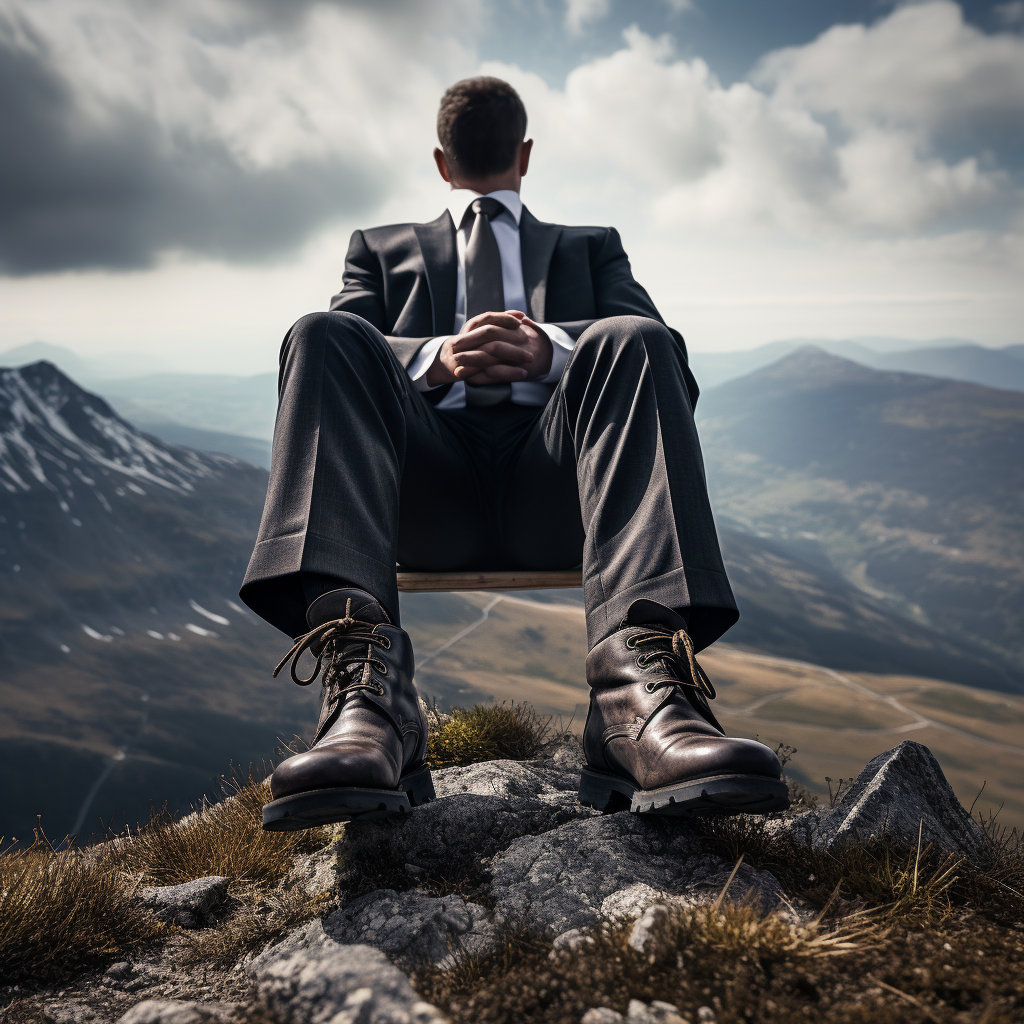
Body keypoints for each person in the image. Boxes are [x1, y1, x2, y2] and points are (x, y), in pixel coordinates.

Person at [240, 77, 788, 831]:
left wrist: (553, 348)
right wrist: (437, 357)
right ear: (525, 154)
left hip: (557, 492)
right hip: (425, 498)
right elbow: (347, 370)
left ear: (440, 161)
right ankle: (370, 704)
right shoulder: (378, 250)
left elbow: (669, 372)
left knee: (636, 340)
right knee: (322, 336)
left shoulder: (592, 248)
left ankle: (640, 706)